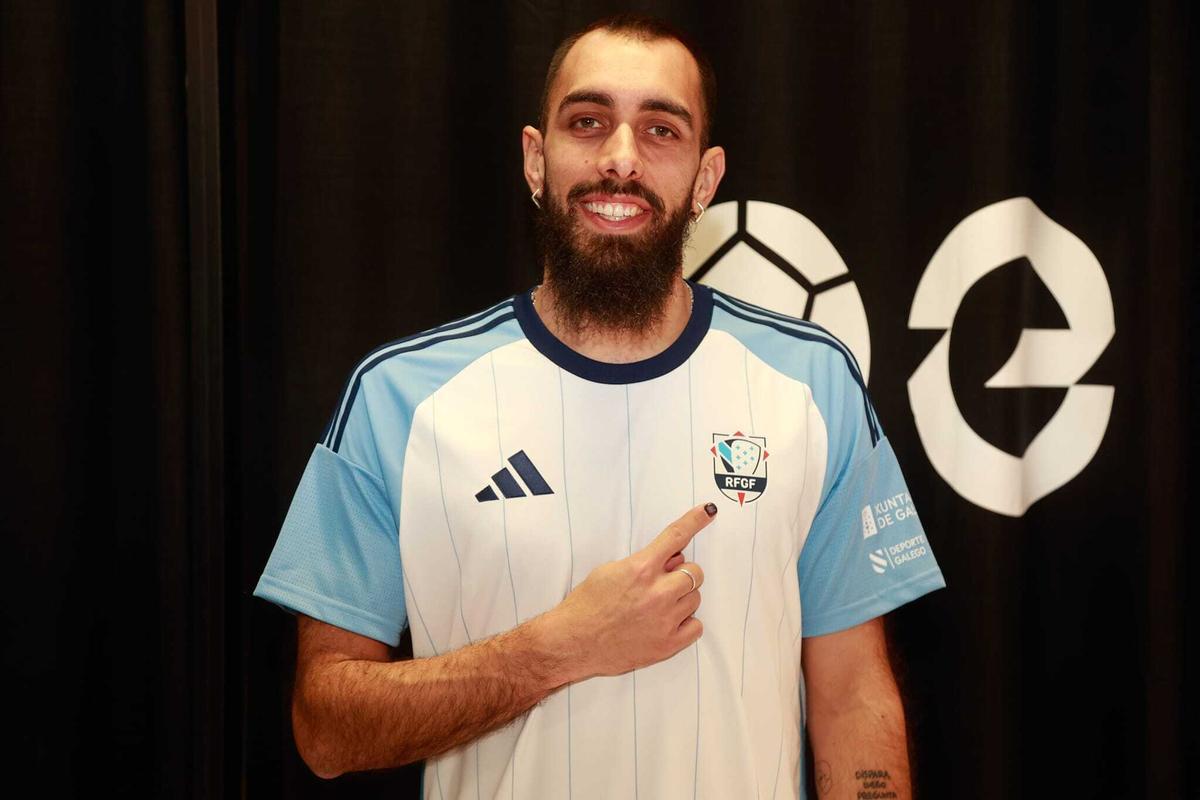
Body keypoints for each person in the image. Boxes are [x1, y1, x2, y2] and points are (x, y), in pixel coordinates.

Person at [253, 13, 945, 799]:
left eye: (660, 130)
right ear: (535, 160)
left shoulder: (813, 383)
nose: (621, 158)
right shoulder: (398, 397)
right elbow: (326, 729)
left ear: (705, 180)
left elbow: (852, 693)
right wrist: (560, 648)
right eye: (588, 122)